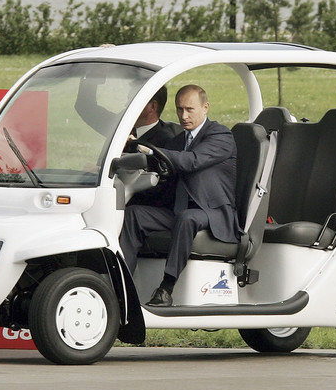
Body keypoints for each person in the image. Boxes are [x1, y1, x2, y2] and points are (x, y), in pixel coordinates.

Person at [119, 85, 240, 307]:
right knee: (134, 214)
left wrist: (150, 151)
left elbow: (191, 161)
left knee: (187, 218)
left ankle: (166, 288)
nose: (184, 116)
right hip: (178, 209)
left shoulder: (220, 135)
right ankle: (120, 287)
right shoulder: (177, 141)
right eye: (179, 110)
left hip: (212, 214)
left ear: (205, 108)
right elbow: (164, 171)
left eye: (190, 109)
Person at [75, 72, 182, 206]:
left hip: (132, 209)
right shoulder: (120, 125)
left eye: (132, 101)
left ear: (152, 107)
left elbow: (155, 188)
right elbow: (85, 107)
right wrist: (91, 73)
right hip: (96, 198)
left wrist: (101, 172)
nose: (126, 105)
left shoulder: (166, 140)